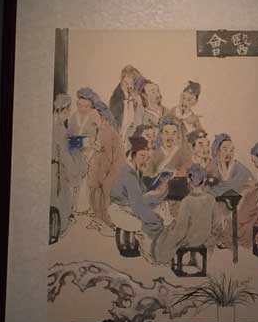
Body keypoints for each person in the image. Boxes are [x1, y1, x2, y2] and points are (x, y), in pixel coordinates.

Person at [74, 87, 126, 236]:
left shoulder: (107, 130)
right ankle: (98, 218)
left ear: (101, 116)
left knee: (104, 192)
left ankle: (107, 222)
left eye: (93, 114)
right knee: (93, 190)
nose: (90, 116)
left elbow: (109, 157)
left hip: (110, 169)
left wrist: (101, 173)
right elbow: (73, 142)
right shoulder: (94, 127)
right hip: (97, 167)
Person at [149, 163, 225, 264]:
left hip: (191, 239)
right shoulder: (211, 199)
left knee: (163, 236)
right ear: (204, 180)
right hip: (206, 237)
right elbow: (217, 225)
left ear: (188, 180)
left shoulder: (187, 201)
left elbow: (181, 230)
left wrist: (169, 225)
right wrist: (210, 239)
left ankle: (159, 258)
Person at [107, 134, 171, 240]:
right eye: (141, 156)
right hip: (121, 211)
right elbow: (137, 205)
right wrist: (156, 218)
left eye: (147, 157)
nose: (144, 160)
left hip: (131, 207)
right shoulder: (128, 174)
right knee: (157, 224)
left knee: (162, 208)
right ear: (133, 154)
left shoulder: (136, 171)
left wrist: (158, 193)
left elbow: (142, 195)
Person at [222, 141, 258, 249]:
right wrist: (254, 186)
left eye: (255, 162)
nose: (255, 165)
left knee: (239, 216)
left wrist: (252, 190)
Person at [49, 94, 89, 238]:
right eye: (66, 109)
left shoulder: (59, 125)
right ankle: (59, 228)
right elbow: (64, 151)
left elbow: (67, 141)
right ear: (62, 110)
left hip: (58, 167)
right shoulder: (58, 127)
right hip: (58, 170)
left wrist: (82, 141)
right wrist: (77, 168)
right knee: (60, 199)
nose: (68, 112)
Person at [207, 133, 253, 198]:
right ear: (217, 150)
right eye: (225, 150)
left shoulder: (239, 167)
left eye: (231, 150)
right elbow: (206, 187)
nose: (228, 153)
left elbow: (251, 183)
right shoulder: (212, 166)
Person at [108, 64, 143, 134]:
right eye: (126, 83)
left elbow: (139, 120)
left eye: (131, 83)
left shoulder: (138, 98)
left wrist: (137, 103)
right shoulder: (115, 99)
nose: (129, 86)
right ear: (121, 82)